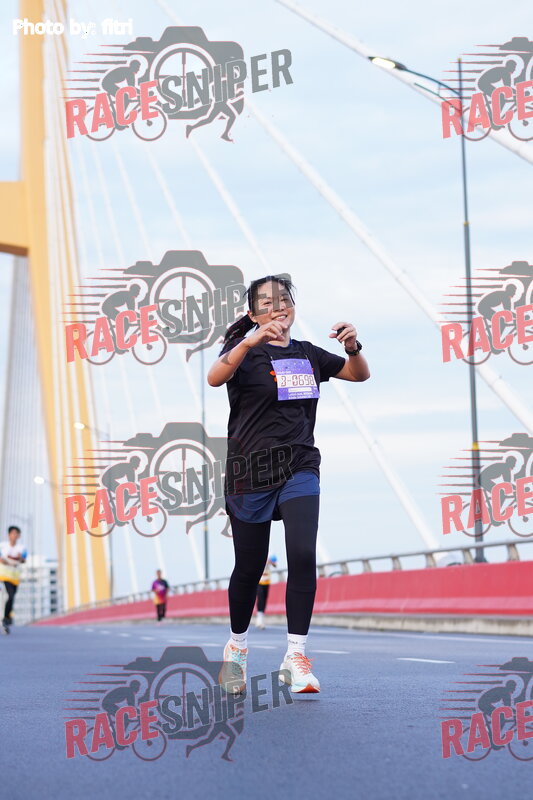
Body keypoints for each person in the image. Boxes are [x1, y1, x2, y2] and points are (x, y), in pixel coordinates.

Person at [207, 275, 370, 694]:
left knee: (301, 554)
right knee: (249, 567)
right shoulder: (243, 353)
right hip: (249, 474)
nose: (278, 307)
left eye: (284, 300)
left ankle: (296, 657)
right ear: (252, 313)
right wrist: (248, 343)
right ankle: (236, 649)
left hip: (300, 466)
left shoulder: (308, 354)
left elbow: (358, 375)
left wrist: (353, 347)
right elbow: (214, 377)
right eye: (266, 302)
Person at [0, 526, 27, 633]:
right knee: (9, 595)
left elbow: (23, 559)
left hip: (15, 577)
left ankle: (7, 617)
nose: (14, 535)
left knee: (12, 597)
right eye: (12, 533)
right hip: (4, 576)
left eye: (16, 534)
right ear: (9, 535)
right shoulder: (2, 546)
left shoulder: (21, 548)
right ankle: (6, 618)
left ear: (19, 536)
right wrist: (10, 561)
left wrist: (20, 558)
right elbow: (1, 559)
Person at [255, 554, 277, 629]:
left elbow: (275, 565)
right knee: (260, 598)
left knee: (264, 599)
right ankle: (259, 618)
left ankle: (261, 617)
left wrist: (270, 561)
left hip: (267, 581)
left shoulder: (271, 554)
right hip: (259, 581)